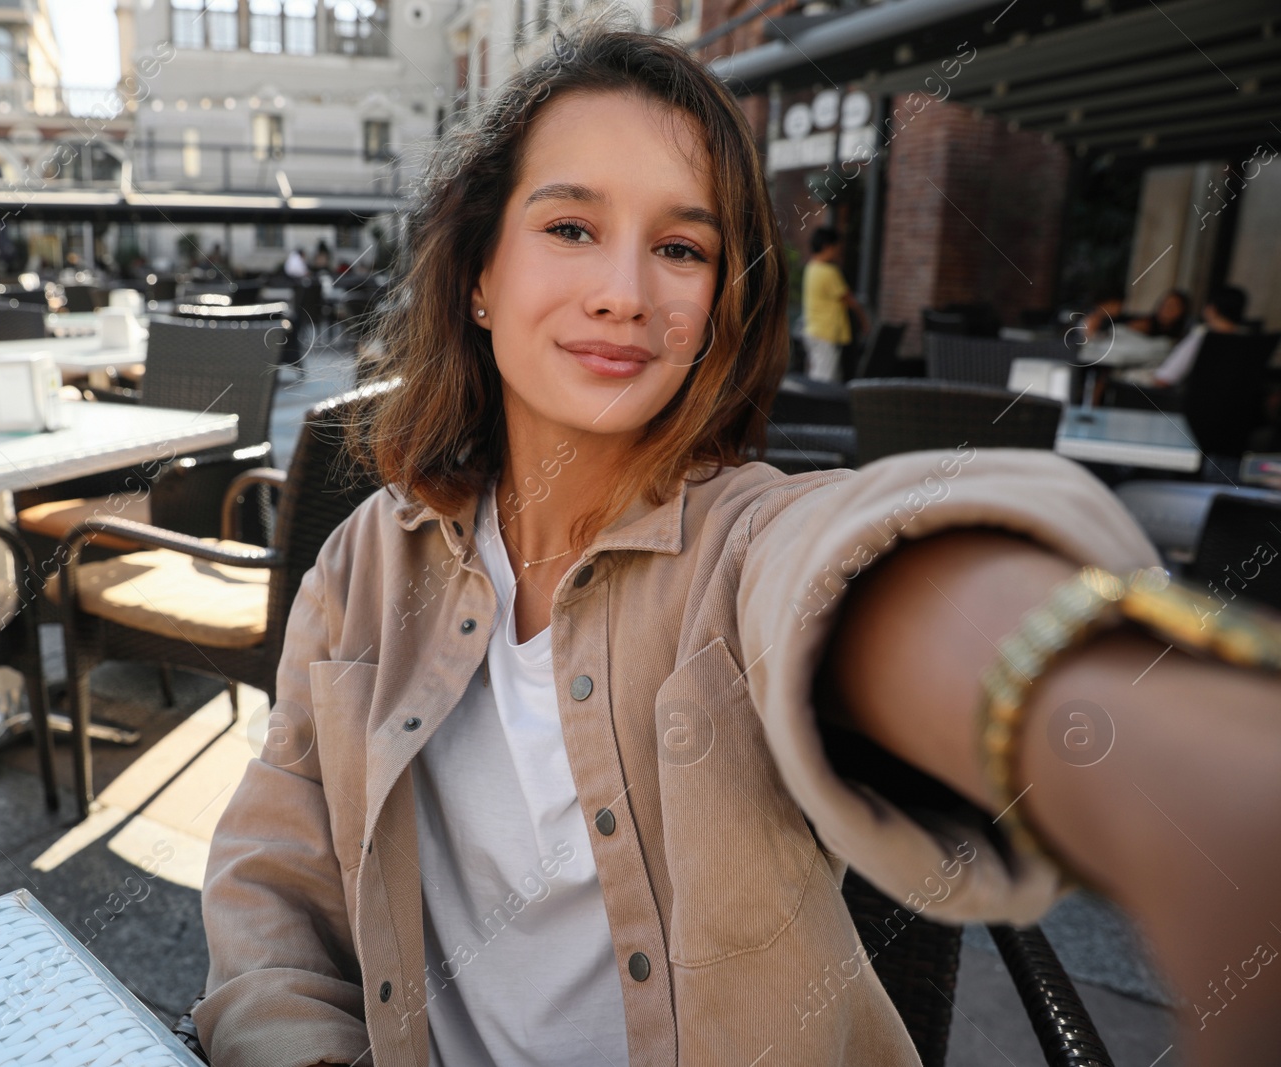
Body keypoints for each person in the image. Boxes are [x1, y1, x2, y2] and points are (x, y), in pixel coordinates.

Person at [193, 20, 1281, 1067]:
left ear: (719, 299)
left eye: (679, 246)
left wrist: (1166, 754)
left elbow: (847, 568)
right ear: (478, 272)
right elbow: (272, 873)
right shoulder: (364, 565)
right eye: (570, 227)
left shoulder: (742, 537)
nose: (624, 294)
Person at [1148, 284, 1251, 387]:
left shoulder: (1202, 336)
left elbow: (1164, 379)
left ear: (1212, 309)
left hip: (1187, 400)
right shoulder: (1249, 338)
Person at [801, 226, 866, 382]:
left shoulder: (811, 267)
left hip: (813, 330)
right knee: (824, 379)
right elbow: (849, 300)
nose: (839, 252)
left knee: (820, 374)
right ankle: (815, 406)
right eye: (838, 248)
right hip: (827, 333)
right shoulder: (829, 272)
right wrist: (864, 321)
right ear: (828, 247)